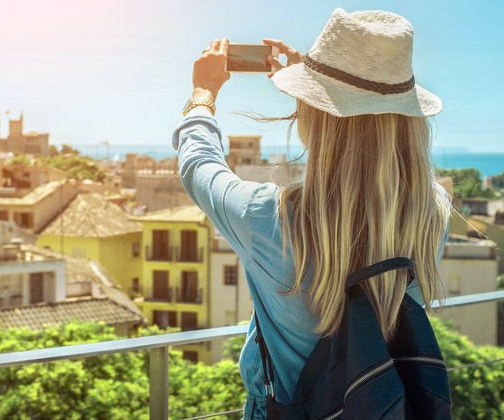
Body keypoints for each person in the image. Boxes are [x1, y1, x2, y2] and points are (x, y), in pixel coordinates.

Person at [172, 8, 452, 420]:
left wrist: (203, 93)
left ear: (312, 115)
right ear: (409, 120)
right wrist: (321, 89)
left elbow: (199, 167)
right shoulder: (433, 212)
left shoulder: (267, 217)